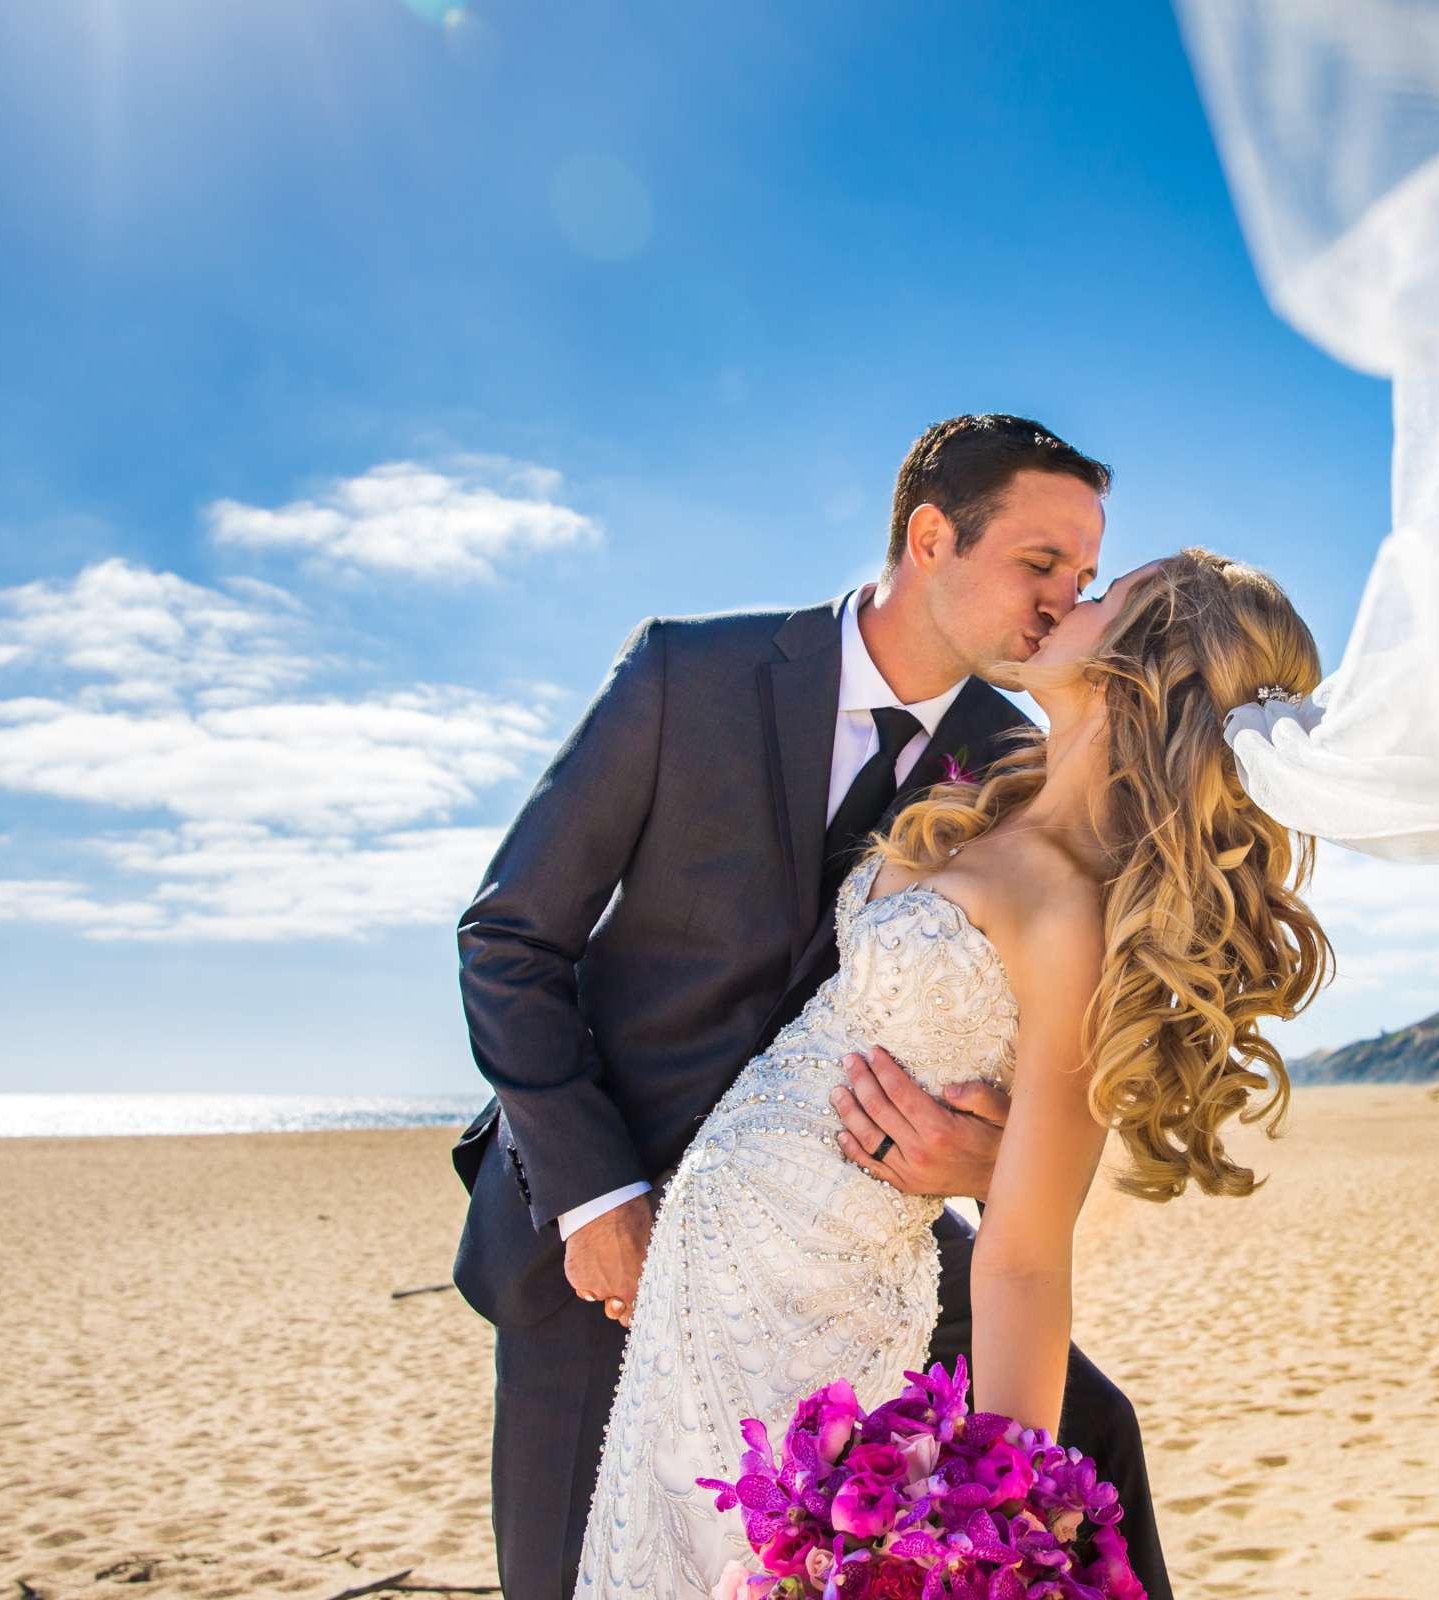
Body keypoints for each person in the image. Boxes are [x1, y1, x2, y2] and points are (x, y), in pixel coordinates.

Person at [451, 415, 1179, 1598]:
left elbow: (1040, 1040)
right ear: (932, 536)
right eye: (1040, 564)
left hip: (849, 1229)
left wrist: (992, 1160)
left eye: (1086, 580)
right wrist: (596, 1196)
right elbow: (509, 938)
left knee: (1093, 1434)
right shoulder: (688, 673)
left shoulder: (1016, 760)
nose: (1062, 602)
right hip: (606, 1234)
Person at [572, 547, 1331, 1597]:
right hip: (705, 1287)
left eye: (1107, 595)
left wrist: (995, 1528)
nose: (1073, 595)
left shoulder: (1072, 907)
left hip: (819, 1304)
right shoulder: (990, 802)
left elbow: (1024, 1254)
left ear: (1149, 667)